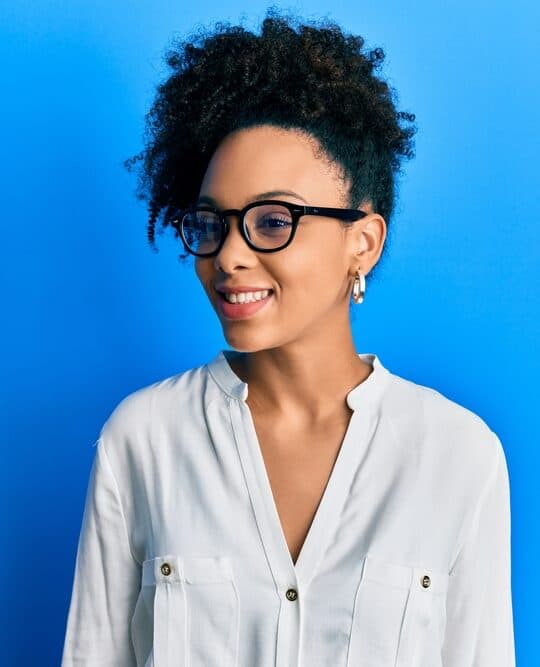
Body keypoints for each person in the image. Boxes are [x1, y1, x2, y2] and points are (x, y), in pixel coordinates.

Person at [60, 8, 515, 667]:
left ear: (363, 241)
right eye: (212, 223)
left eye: (272, 221)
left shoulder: (459, 458)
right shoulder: (142, 441)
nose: (229, 255)